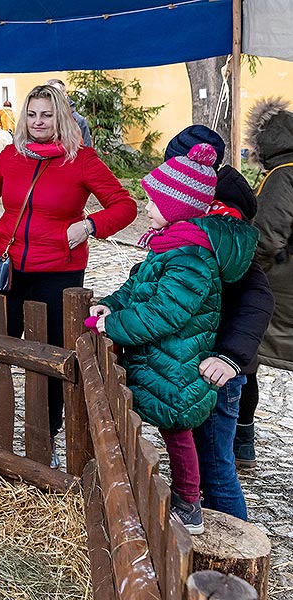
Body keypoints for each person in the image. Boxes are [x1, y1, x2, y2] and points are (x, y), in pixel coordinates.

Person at [0, 84, 136, 466]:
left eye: (47, 115)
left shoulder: (82, 160)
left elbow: (125, 206)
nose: (39, 122)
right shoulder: (9, 156)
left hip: (59, 273)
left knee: (53, 357)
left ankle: (47, 437)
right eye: (33, 114)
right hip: (8, 269)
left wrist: (89, 225)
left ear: (62, 117)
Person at [89, 143, 258, 534]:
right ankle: (188, 498)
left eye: (153, 201)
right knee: (173, 428)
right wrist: (112, 306)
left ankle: (189, 504)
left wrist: (115, 327)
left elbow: (167, 311)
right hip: (168, 357)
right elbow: (140, 287)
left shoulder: (191, 257)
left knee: (181, 430)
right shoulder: (170, 245)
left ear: (179, 207)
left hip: (180, 360)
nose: (146, 208)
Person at [165, 126, 273, 521]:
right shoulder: (195, 222)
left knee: (216, 467)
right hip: (198, 363)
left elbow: (257, 297)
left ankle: (236, 564)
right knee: (202, 460)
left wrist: (230, 356)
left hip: (220, 372)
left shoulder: (223, 230)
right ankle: (211, 544)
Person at [242, 98, 293, 467]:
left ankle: (241, 440)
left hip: (280, 287)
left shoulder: (283, 175)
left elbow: (267, 237)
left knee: (245, 352)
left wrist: (244, 267)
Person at [46, 79, 92, 147]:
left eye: (55, 94)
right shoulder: (38, 120)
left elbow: (86, 149)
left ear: (65, 95)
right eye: (47, 94)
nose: (51, 98)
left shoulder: (78, 120)